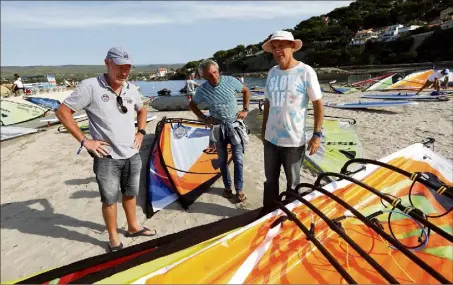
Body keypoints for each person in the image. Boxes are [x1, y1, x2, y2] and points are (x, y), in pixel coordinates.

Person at [55, 47, 157, 252]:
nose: (124, 72)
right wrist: (85, 141)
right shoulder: (90, 87)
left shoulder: (130, 89)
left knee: (130, 193)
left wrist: (141, 132)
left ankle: (133, 226)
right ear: (107, 63)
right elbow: (63, 112)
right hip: (107, 157)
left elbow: (142, 109)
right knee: (110, 199)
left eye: (128, 67)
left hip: (132, 153)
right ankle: (113, 237)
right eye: (120, 67)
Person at [260, 30, 324, 212]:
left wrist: (317, 135)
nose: (278, 50)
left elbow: (318, 104)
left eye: (282, 46)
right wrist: (264, 130)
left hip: (294, 141)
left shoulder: (305, 72)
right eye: (274, 47)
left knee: (293, 183)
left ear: (292, 47)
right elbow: (267, 102)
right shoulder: (272, 72)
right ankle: (268, 213)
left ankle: (290, 214)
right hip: (271, 140)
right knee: (270, 181)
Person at [188, 59, 251, 202]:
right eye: (209, 75)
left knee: (238, 160)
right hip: (218, 128)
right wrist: (204, 119)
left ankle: (239, 189)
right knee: (222, 160)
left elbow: (246, 91)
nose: (214, 77)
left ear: (218, 71)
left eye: (215, 73)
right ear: (203, 77)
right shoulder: (202, 90)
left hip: (234, 126)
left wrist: (245, 109)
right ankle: (227, 187)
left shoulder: (230, 81)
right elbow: (192, 105)